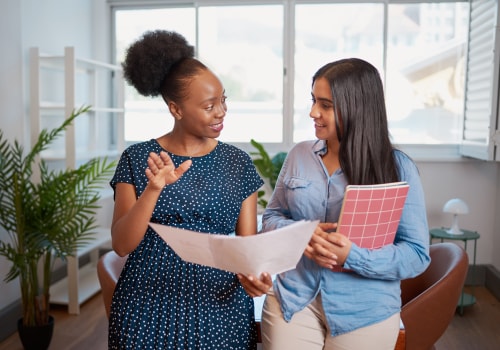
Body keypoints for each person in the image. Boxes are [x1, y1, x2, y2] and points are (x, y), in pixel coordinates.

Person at [108, 30, 272, 350]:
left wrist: (254, 277)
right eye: (209, 105)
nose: (221, 112)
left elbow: (247, 251)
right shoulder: (138, 158)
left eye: (223, 100)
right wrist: (153, 189)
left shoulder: (238, 163)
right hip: (147, 306)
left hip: (220, 306)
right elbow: (121, 244)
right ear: (176, 109)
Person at [260, 58, 431, 350]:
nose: (313, 112)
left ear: (357, 107)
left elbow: (416, 254)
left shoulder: (397, 169)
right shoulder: (299, 155)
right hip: (294, 298)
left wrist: (353, 256)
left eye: (325, 105)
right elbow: (272, 216)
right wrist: (301, 233)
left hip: (365, 311)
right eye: (313, 101)